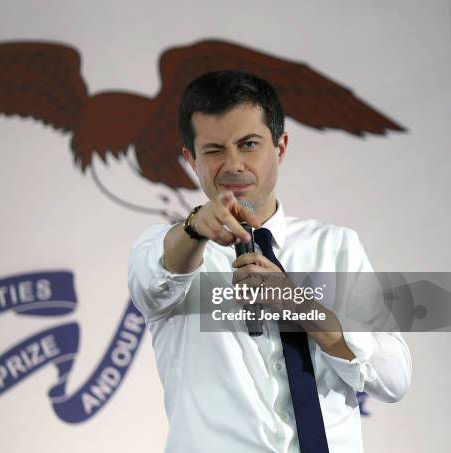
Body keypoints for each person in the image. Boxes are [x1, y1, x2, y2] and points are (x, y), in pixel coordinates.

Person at [127, 70, 411, 453]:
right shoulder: (165, 248)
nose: (232, 165)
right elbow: (154, 282)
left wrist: (300, 306)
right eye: (213, 150)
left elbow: (394, 379)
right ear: (190, 158)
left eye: (248, 144)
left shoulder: (335, 246)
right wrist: (196, 226)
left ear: (280, 147)